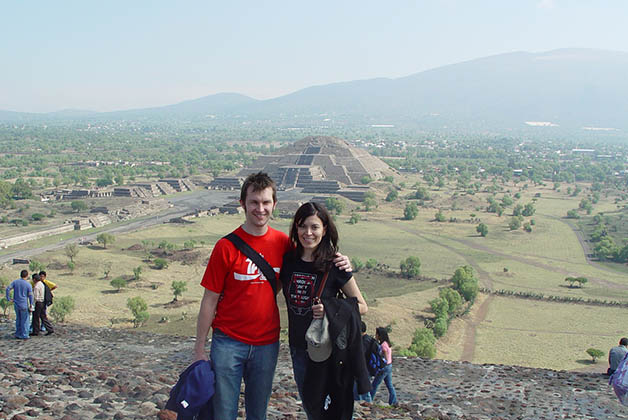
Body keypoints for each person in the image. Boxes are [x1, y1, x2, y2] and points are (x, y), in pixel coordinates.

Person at [193, 172, 351, 420]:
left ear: (274, 205)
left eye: (266, 202)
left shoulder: (284, 244)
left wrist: (340, 259)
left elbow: (312, 255)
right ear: (242, 203)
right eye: (254, 202)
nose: (260, 208)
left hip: (267, 342)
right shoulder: (226, 247)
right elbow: (209, 299)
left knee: (259, 413)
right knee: (224, 412)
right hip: (228, 342)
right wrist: (199, 348)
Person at [280, 201, 368, 419]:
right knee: (312, 408)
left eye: (314, 227)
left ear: (324, 229)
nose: (308, 233)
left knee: (336, 409)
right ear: (295, 229)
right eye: (302, 226)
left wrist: (330, 309)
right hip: (299, 348)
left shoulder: (334, 264)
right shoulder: (289, 261)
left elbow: (362, 306)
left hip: (329, 351)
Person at [370, 327, 398, 405]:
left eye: (377, 334)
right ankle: (393, 401)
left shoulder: (383, 345)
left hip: (385, 367)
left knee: (375, 384)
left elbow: (384, 358)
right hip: (389, 365)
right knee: (389, 384)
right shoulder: (387, 343)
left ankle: (369, 400)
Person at [5, 269, 34, 340]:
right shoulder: (28, 285)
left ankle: (18, 333)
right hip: (23, 304)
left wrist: (9, 298)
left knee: (18, 319)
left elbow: (8, 289)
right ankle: (25, 334)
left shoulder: (15, 282)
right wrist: (31, 304)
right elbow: (30, 296)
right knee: (25, 320)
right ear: (27, 276)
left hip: (16, 303)